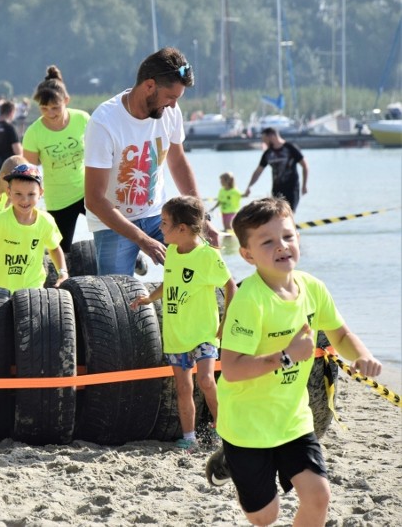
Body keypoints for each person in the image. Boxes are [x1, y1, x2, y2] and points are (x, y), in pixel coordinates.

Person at [207, 197, 381, 526]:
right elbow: (231, 369)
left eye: (288, 236)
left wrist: (363, 356)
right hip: (247, 427)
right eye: (268, 241)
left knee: (319, 497)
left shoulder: (313, 288)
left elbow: (341, 336)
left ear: (298, 238)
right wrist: (286, 356)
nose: (282, 246)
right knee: (264, 517)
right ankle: (228, 459)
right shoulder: (249, 300)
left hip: (292, 421)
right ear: (247, 254)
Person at [84, 47, 219, 276]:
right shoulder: (104, 122)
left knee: (202, 270)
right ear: (149, 86)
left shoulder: (170, 112)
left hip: (158, 216)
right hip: (112, 222)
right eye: (170, 97)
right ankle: (133, 255)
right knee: (115, 300)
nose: (174, 106)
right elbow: (94, 200)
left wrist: (201, 218)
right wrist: (142, 241)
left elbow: (178, 163)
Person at [130, 196, 236, 450]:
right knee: (183, 387)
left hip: (204, 333)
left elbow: (231, 286)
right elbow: (170, 283)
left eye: (164, 223)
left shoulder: (208, 257)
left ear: (182, 229)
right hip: (176, 334)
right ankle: (189, 437)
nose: (160, 227)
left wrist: (226, 321)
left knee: (207, 381)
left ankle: (224, 429)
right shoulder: (173, 254)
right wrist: (149, 298)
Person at [0, 163, 67, 293]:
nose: (24, 200)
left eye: (31, 194)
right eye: (18, 194)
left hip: (33, 288)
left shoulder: (46, 221)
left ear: (40, 193)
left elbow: (55, 248)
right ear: (9, 192)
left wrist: (62, 273)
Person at [23, 65, 88, 253]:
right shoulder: (34, 133)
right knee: (61, 251)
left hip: (87, 192)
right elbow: (29, 172)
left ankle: (136, 259)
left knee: (113, 228)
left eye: (55, 107)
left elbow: (101, 153)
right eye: (44, 108)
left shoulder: (82, 119)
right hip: (58, 199)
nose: (50, 113)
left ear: (66, 100)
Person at [243, 127, 308, 212]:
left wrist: (304, 185)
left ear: (272, 136)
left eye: (264, 139)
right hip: (277, 190)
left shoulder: (290, 148)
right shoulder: (268, 153)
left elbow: (305, 166)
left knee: (289, 214)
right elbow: (258, 172)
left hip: (291, 189)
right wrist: (249, 186)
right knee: (277, 216)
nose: (264, 142)